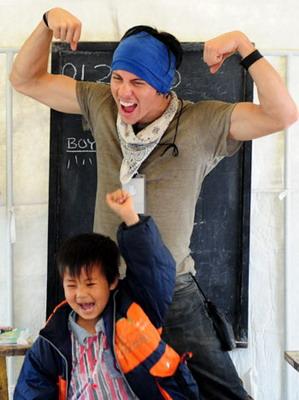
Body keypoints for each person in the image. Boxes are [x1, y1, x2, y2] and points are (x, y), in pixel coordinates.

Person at [10, 7, 298, 400]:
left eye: (138, 82)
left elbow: (282, 113)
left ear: (163, 86)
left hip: (172, 289)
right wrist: (46, 22)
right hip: (105, 287)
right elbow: (24, 79)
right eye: (117, 78)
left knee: (225, 395)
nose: (123, 92)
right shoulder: (102, 106)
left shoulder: (203, 122)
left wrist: (244, 46)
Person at [13, 189, 199, 400]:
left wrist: (131, 218)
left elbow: (154, 270)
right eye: (72, 285)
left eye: (90, 284)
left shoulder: (135, 313)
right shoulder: (52, 339)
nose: (81, 294)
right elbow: (31, 392)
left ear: (112, 281)